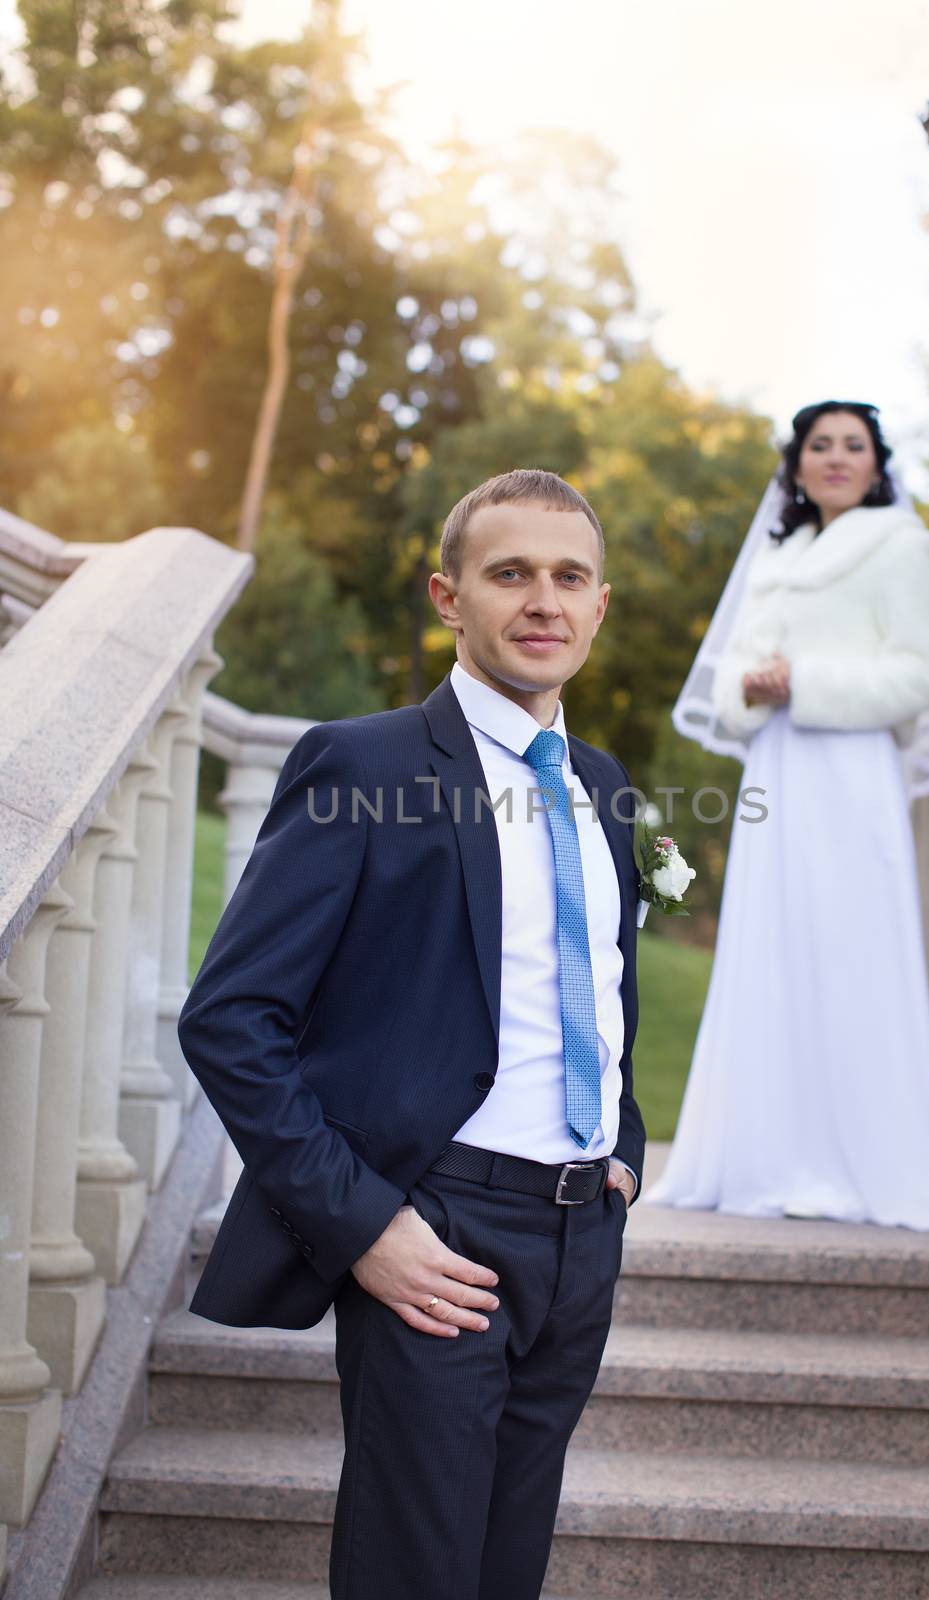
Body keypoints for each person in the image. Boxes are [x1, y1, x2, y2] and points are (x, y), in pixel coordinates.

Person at [177, 468, 646, 1600]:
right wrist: (364, 1223)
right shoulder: (366, 765)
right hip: (435, 1224)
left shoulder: (603, 784)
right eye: (509, 574)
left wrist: (622, 1140)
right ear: (448, 596)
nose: (542, 600)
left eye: (567, 577)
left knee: (503, 1569)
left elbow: (595, 980)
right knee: (415, 1573)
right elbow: (231, 1018)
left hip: (581, 1232)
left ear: (598, 605)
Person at [646, 401, 929, 1230]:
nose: (833, 458)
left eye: (850, 445)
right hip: (777, 773)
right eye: (817, 445)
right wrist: (751, 689)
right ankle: (761, 1154)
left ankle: (869, 1166)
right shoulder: (776, 556)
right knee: (769, 947)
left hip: (850, 773)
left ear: (876, 462)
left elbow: (922, 675)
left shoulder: (904, 548)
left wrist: (807, 682)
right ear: (795, 463)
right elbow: (728, 674)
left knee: (851, 952)